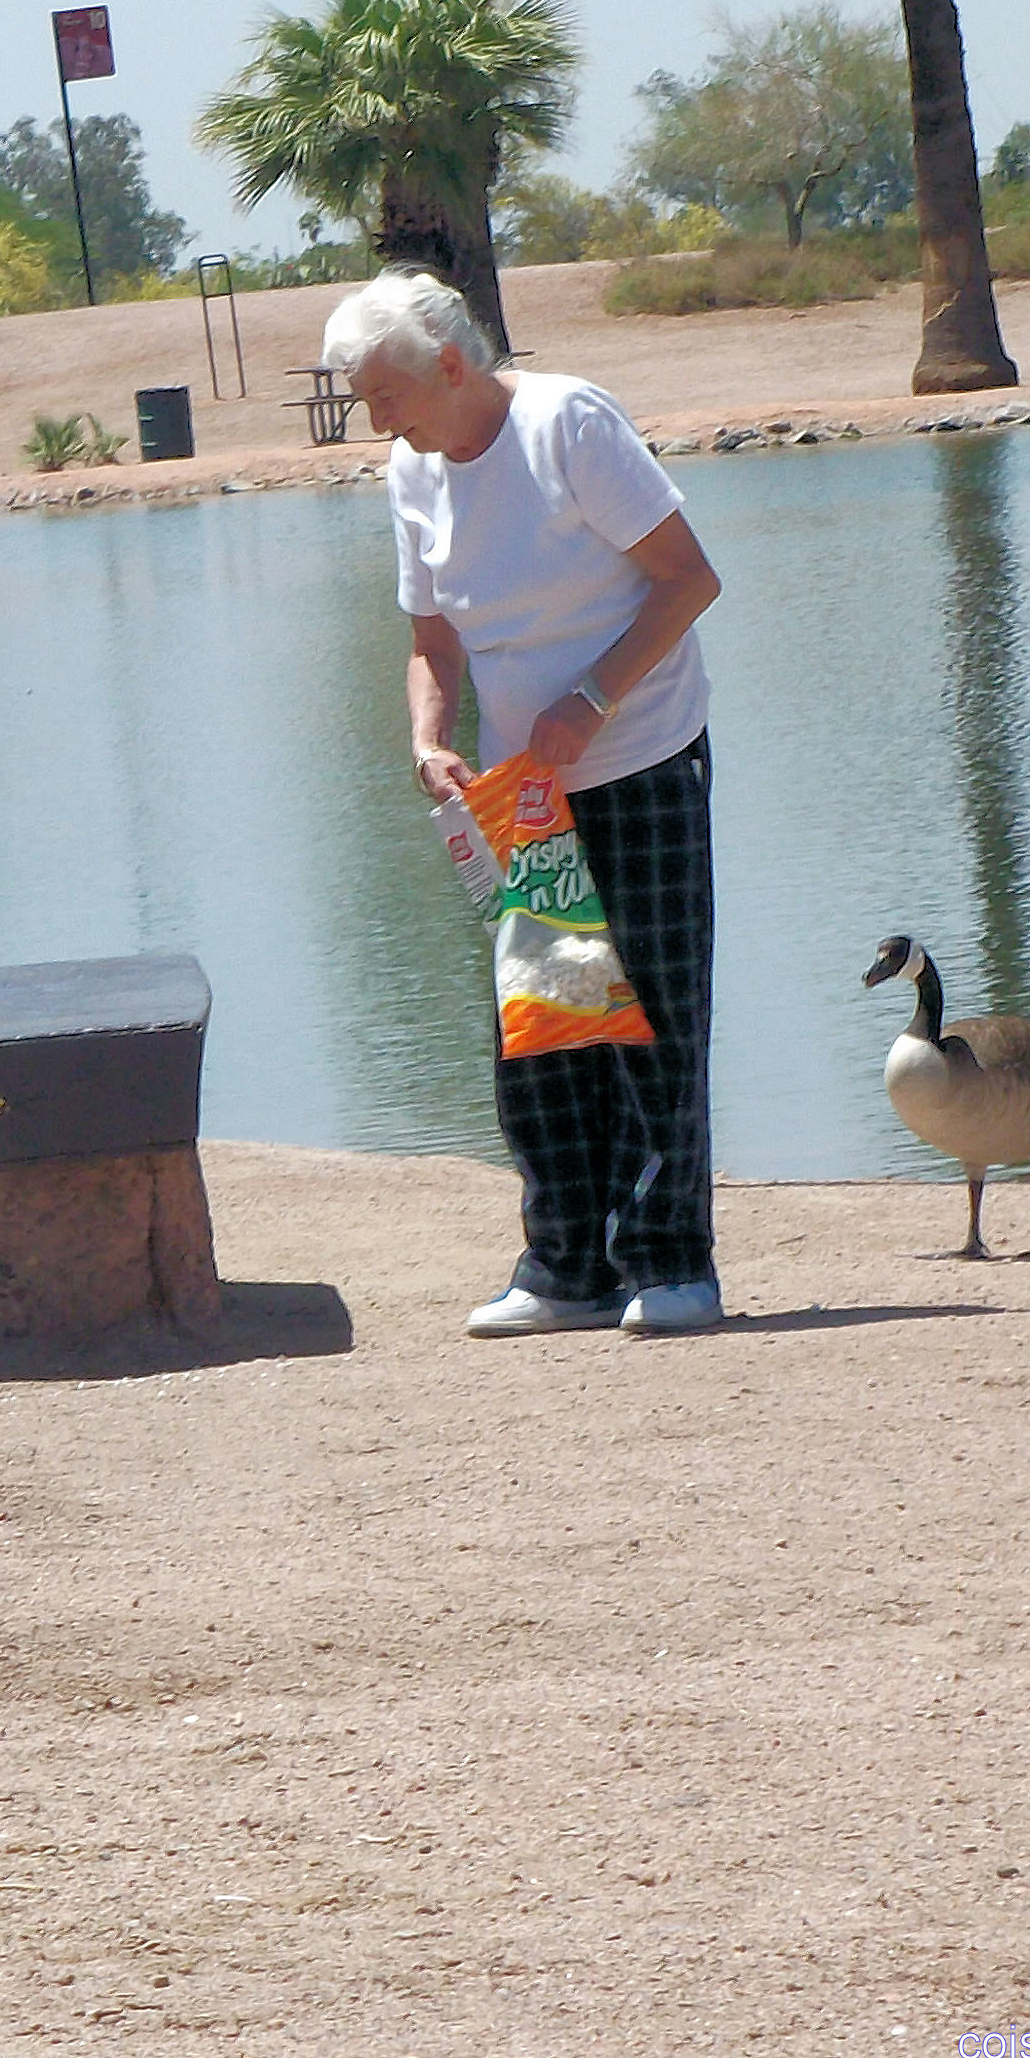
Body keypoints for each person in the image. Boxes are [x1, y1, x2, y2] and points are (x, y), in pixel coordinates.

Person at [326, 267, 726, 1338]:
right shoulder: (409, 472)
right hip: (524, 793)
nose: (378, 420)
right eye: (367, 402)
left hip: (640, 755)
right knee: (546, 1027)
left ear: (450, 366)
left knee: (653, 1018)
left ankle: (671, 1264)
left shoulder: (568, 425)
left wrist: (590, 702)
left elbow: (688, 580)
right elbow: (431, 638)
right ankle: (566, 1268)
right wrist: (427, 738)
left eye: (385, 396)